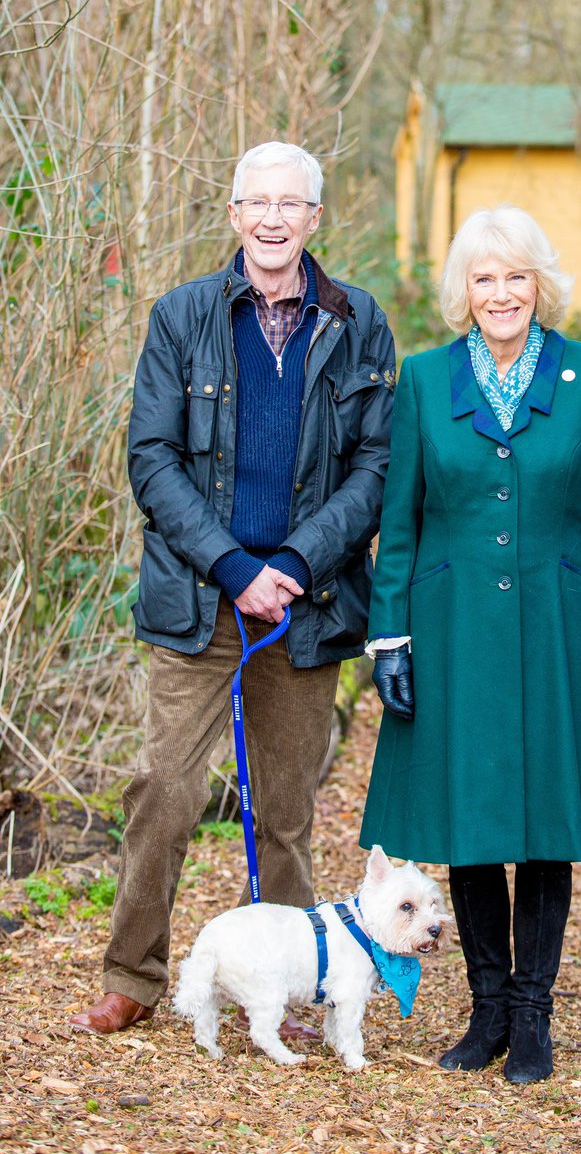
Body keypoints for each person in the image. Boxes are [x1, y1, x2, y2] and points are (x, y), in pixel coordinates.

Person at [71, 141, 396, 1037]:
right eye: (257, 202)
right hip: (199, 596)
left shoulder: (359, 322)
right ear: (233, 214)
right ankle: (132, 976)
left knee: (286, 810)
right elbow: (152, 457)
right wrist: (235, 568)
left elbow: (376, 464)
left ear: (315, 219)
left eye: (291, 205)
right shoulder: (181, 316)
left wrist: (294, 564)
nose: (273, 219)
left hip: (308, 600)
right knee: (165, 791)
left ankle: (289, 987)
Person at [360, 205, 581, 1083]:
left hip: (557, 628)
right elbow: (398, 520)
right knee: (471, 823)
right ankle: (484, 1014)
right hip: (451, 634)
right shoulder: (426, 380)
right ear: (464, 292)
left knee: (544, 823)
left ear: (539, 285)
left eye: (516, 275)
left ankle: (533, 1019)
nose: (501, 293)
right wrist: (390, 638)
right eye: (483, 278)